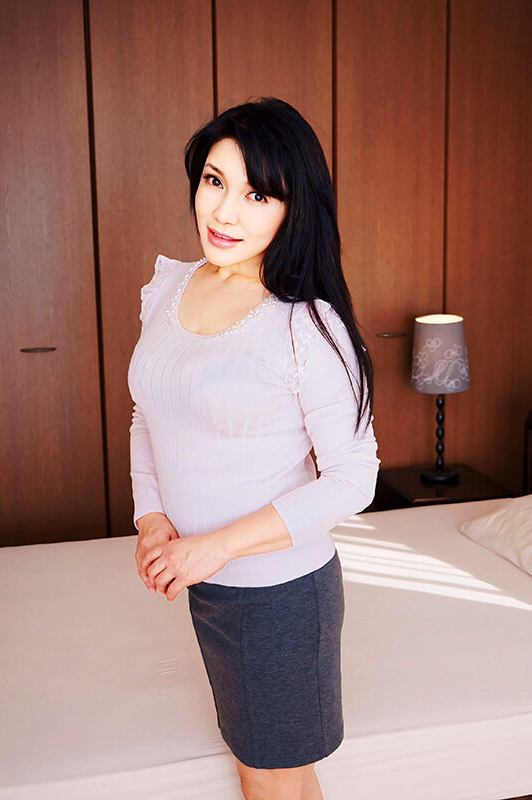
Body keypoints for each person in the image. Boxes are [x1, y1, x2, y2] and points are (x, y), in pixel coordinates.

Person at [128, 97, 380, 800]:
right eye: (215, 181)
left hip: (280, 595)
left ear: (294, 209)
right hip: (208, 584)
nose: (224, 212)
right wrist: (152, 519)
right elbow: (150, 413)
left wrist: (214, 548)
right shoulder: (170, 286)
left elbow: (354, 477)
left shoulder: (305, 325)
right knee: (268, 765)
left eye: (257, 194)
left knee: (268, 771)